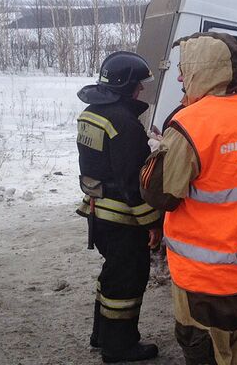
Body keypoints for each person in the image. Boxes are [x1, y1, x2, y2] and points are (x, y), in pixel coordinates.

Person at [139, 32, 237, 365]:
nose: (179, 77)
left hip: (203, 280)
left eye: (184, 70)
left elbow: (158, 194)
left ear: (204, 71)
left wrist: (156, 155)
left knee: (205, 351)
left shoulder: (191, 123)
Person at [75, 51, 162, 363]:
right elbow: (131, 180)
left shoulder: (91, 113)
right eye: (138, 85)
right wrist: (152, 222)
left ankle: (102, 335)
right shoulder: (123, 122)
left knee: (112, 274)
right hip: (121, 217)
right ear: (126, 86)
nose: (140, 91)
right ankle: (119, 347)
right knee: (127, 279)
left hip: (97, 211)